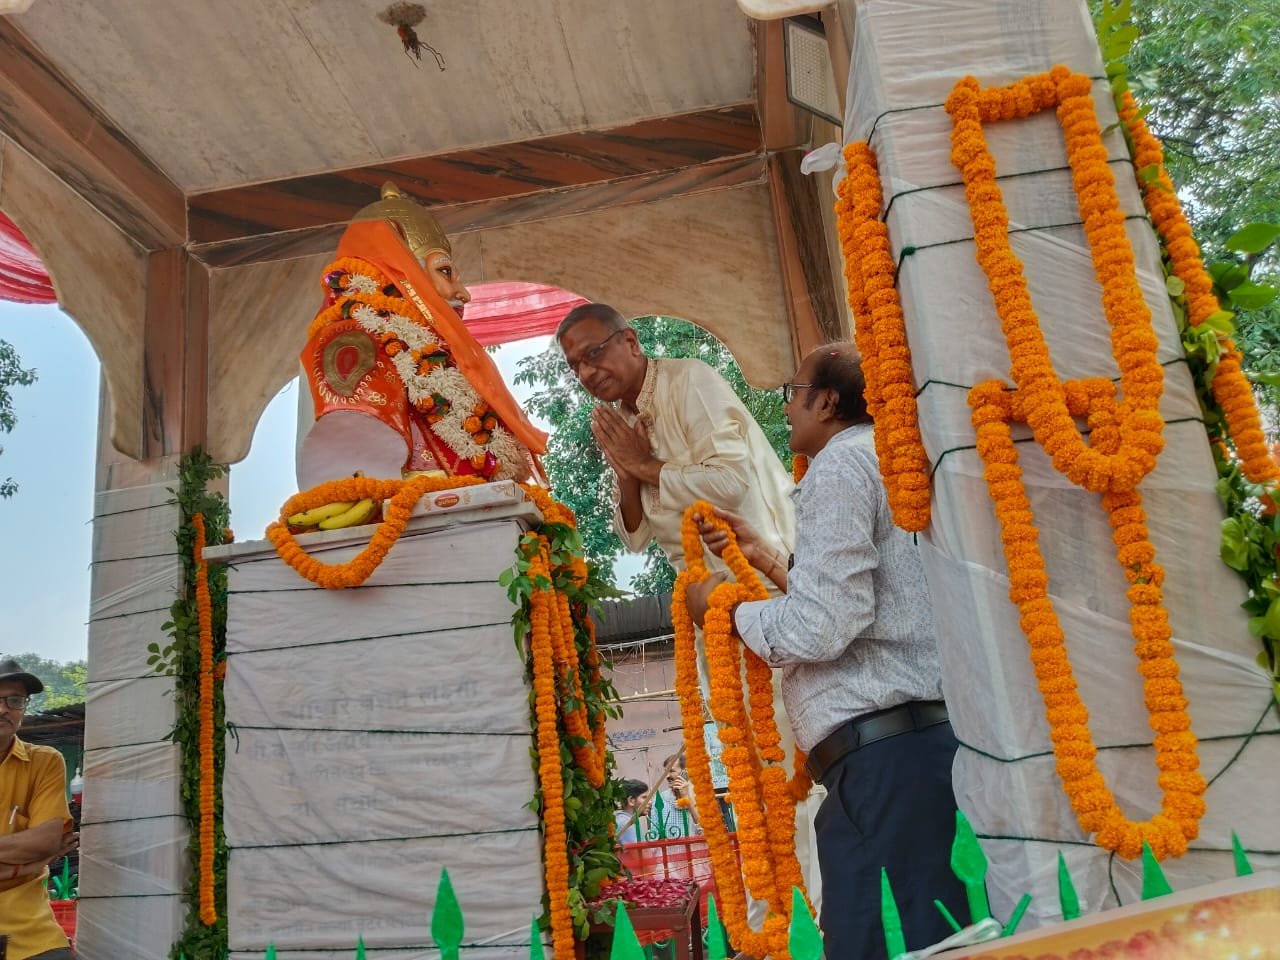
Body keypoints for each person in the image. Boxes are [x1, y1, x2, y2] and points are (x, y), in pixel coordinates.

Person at [686, 344, 965, 960]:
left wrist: (726, 612)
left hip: (883, 763)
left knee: (884, 943)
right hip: (907, 753)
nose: (785, 407)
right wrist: (766, 557)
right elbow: (866, 604)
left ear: (828, 401)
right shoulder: (882, 461)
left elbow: (822, 628)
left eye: (793, 390)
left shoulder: (840, 467)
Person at [557, 303, 822, 922]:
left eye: (594, 353)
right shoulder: (619, 418)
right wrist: (627, 473)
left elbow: (728, 482)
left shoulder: (689, 381)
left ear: (628, 341)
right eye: (574, 366)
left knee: (793, 760)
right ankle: (778, 917)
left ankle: (822, 917)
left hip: (765, 589)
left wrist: (645, 465)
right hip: (709, 609)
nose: (586, 372)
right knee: (749, 767)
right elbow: (634, 536)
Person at [297, 182, 548, 491]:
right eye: (444, 271)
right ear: (403, 275)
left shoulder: (437, 353)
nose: (463, 293)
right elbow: (356, 485)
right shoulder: (356, 339)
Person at [0, 660, 79, 960]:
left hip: (29, 930)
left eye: (15, 700)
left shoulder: (44, 762)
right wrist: (30, 864)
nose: (3, 709)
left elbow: (46, 840)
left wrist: (41, 851)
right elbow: (43, 848)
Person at [614, 780, 650, 845]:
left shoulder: (626, 819)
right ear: (631, 801)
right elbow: (639, 853)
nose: (650, 802)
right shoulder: (625, 823)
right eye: (644, 797)